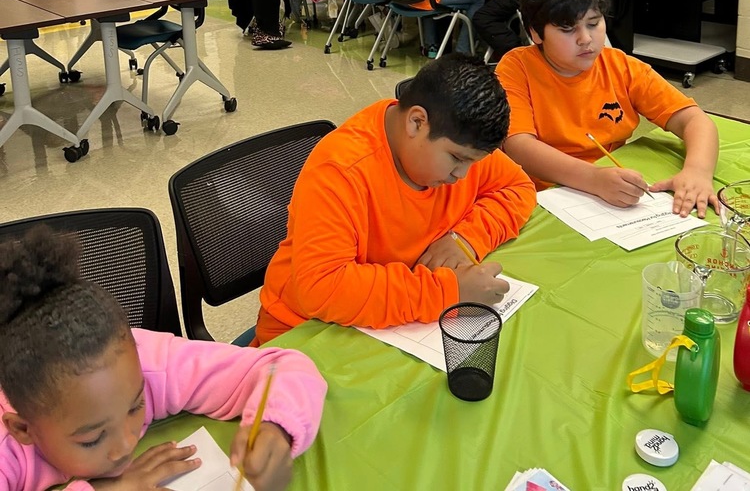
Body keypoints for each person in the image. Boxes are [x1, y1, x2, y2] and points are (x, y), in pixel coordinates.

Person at [0, 227, 326, 491]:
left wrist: (275, 427)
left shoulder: (141, 363)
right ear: (23, 429)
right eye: (92, 439)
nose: (126, 444)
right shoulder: (7, 446)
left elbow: (281, 367)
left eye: (135, 407)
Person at [253, 54, 536, 345]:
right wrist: (450, 293)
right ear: (416, 122)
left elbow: (517, 187)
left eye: (472, 163)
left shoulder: (457, 138)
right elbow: (322, 288)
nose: (461, 175)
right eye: (456, 159)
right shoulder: (341, 170)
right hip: (307, 332)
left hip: (390, 325)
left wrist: (464, 239)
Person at [497, 0, 720, 216]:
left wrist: (697, 172)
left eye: (593, 23)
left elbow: (695, 120)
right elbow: (519, 147)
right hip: (542, 198)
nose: (586, 39)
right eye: (568, 29)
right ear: (536, 33)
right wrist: (593, 179)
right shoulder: (517, 68)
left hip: (609, 195)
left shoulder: (621, 67)